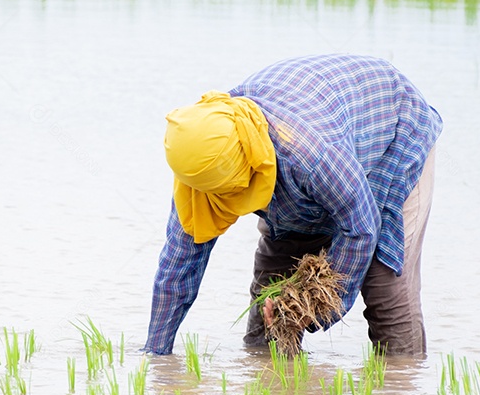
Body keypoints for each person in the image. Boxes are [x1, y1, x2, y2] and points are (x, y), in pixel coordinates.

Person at [141, 53, 442, 357]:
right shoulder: (198, 158)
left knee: (383, 287)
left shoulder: (312, 155)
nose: (222, 203)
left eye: (229, 194)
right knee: (269, 298)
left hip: (391, 135)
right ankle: (279, 394)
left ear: (250, 167)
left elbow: (361, 229)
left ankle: (401, 392)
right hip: (317, 164)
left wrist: (308, 306)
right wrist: (156, 353)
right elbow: (178, 264)